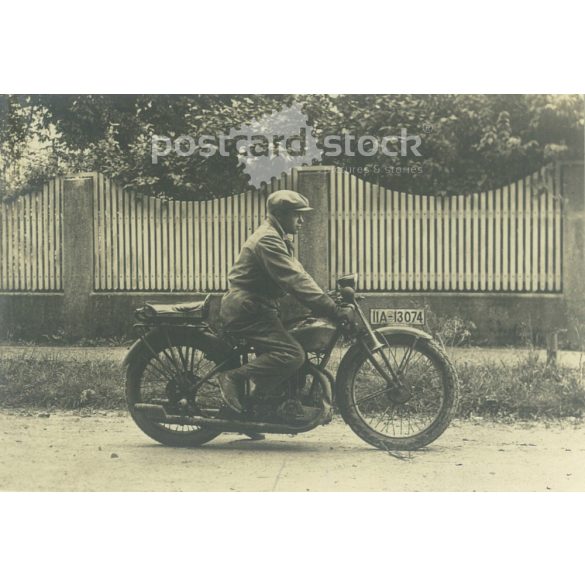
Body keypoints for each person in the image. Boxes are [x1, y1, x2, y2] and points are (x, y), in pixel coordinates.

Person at [218, 189, 353, 415]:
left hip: (259, 307)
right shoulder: (268, 239)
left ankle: (257, 406)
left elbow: (298, 275)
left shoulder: (277, 236)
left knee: (295, 342)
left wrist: (327, 296)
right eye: (296, 214)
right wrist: (332, 308)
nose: (301, 220)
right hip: (248, 311)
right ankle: (232, 377)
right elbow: (295, 280)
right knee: (292, 355)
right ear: (280, 214)